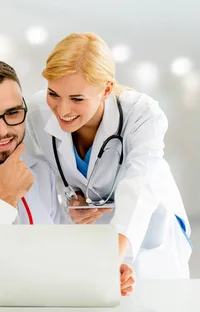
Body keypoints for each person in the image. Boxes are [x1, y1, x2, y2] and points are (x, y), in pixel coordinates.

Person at [0, 58, 135, 295]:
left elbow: (60, 258)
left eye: (13, 113)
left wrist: (98, 272)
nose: (3, 130)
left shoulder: (40, 171)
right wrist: (3, 200)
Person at [24, 32, 192, 279]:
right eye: (54, 94)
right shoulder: (37, 112)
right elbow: (44, 170)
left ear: (107, 90)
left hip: (150, 227)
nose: (62, 109)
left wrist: (113, 259)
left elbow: (140, 185)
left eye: (77, 99)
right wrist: (70, 197)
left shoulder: (143, 114)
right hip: (92, 231)